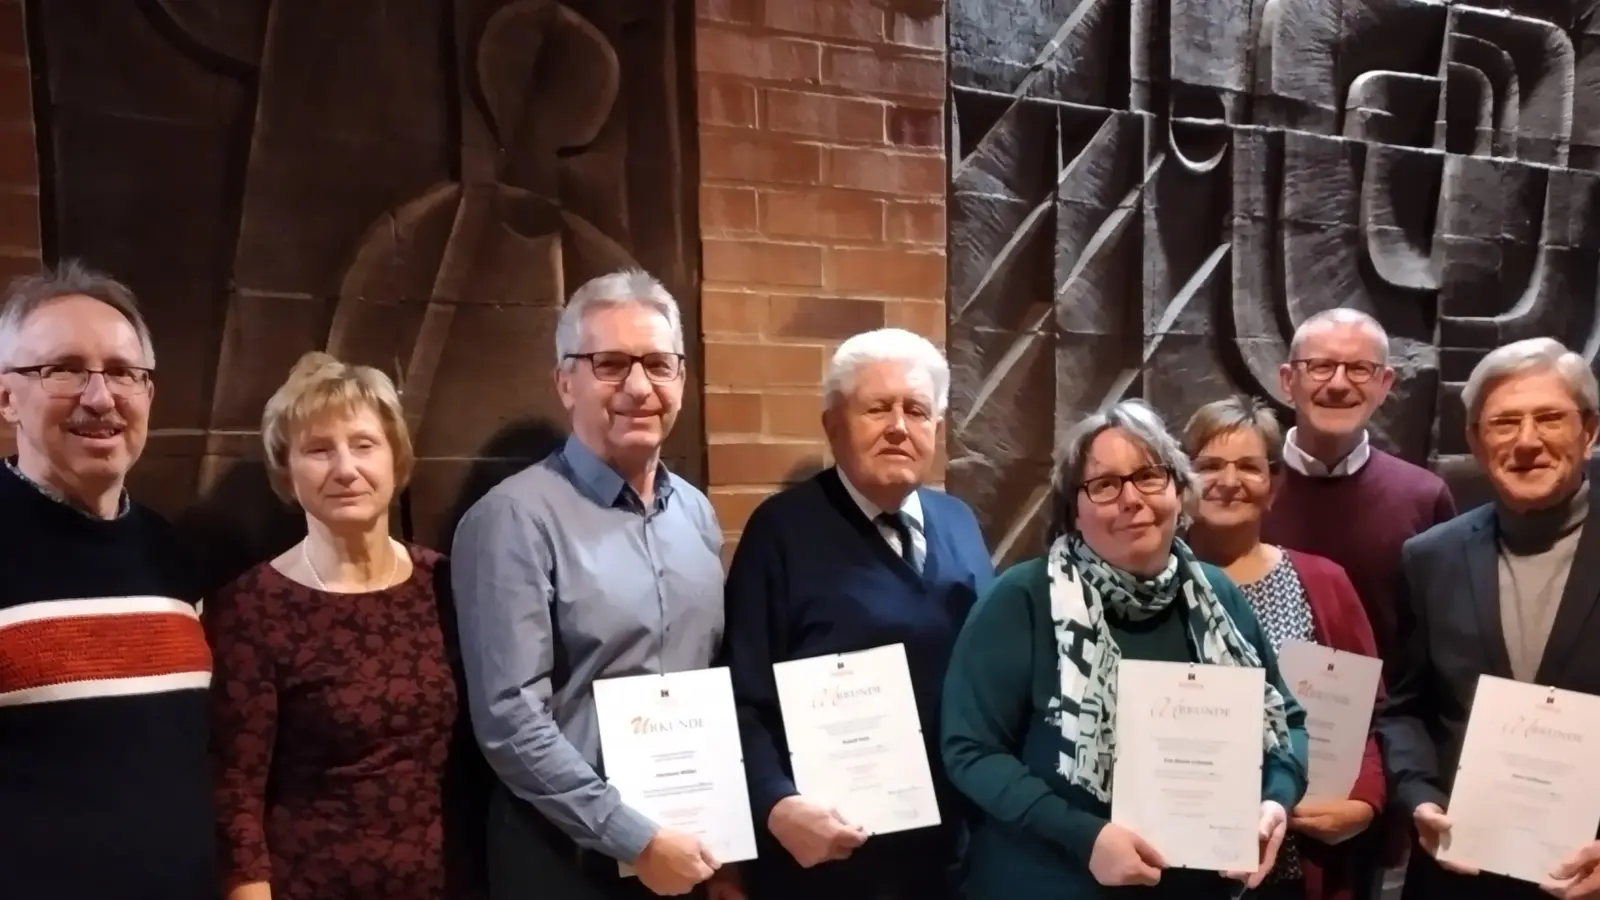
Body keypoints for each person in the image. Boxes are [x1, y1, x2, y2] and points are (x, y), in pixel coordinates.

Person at [941, 399, 1310, 900]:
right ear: (1074, 508)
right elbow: (970, 750)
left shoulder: (1216, 597)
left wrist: (1276, 801)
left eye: (1149, 476)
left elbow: (1285, 720)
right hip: (1048, 881)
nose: (1131, 499)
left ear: (1179, 491)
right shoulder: (1022, 599)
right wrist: (1085, 835)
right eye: (1105, 484)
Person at [451, 270, 731, 900]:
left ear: (681, 378)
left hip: (686, 848)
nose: (639, 387)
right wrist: (634, 838)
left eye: (659, 364)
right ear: (565, 381)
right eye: (610, 363)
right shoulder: (513, 520)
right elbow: (509, 720)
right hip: (566, 860)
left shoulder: (698, 516)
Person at [720, 327, 995, 900]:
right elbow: (742, 695)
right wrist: (775, 803)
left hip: (951, 857)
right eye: (878, 408)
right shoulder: (782, 532)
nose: (899, 426)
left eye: (917, 410)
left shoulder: (959, 525)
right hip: (829, 862)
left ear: (936, 429)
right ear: (833, 424)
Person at [208, 352, 488, 900]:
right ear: (286, 469)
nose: (345, 468)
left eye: (364, 444)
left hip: (454, 882)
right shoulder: (255, 606)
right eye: (318, 449)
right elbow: (234, 793)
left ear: (395, 459)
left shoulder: (446, 585)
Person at [0, 262, 216, 899]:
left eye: (124, 372)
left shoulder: (172, 553)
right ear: (7, 396)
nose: (101, 397)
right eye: (63, 369)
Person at [1379, 337, 1600, 900]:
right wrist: (1419, 795)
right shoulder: (1430, 558)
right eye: (1504, 423)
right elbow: (1405, 709)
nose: (1527, 441)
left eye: (1549, 417)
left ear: (1590, 431)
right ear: (1476, 443)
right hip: (1458, 875)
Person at [1182, 396, 1387, 900]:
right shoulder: (1147, 580)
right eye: (1209, 465)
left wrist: (1365, 799)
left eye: (1249, 466)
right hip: (1174, 858)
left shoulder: (1323, 582)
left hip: (1297, 858)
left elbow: (1371, 714)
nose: (1229, 481)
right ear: (1180, 481)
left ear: (1274, 486)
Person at [1263, 308, 1457, 675]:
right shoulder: (1243, 492)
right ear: (1287, 381)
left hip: (1385, 722)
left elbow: (1442, 635)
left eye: (1358, 369)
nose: (1338, 384)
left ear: (1384, 384)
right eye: (1320, 366)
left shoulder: (1424, 497)